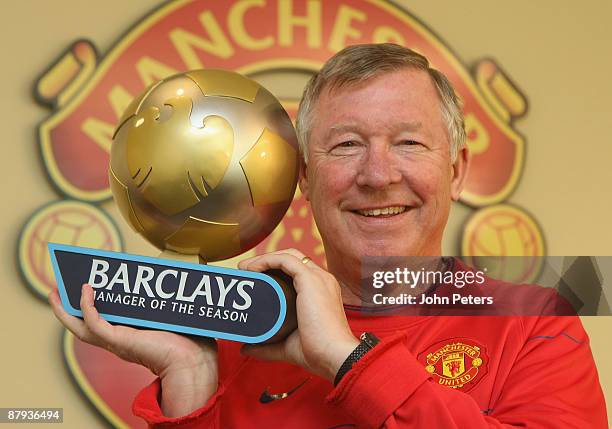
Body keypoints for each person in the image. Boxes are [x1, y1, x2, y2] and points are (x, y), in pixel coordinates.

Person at [49, 43, 608, 428]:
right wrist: (191, 378)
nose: (378, 175)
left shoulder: (537, 320)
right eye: (346, 145)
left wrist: (348, 359)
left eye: (409, 144)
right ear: (307, 180)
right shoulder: (236, 336)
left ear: (457, 171)